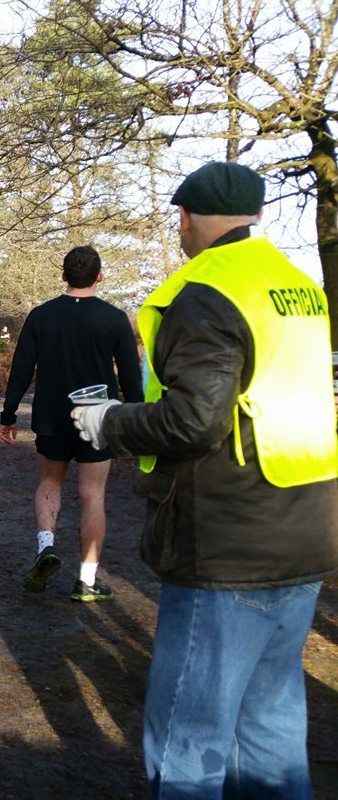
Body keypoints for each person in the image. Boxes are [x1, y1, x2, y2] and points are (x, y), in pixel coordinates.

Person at [72, 162, 336, 797]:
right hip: (306, 529)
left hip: (228, 541)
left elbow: (193, 420)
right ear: (259, 215)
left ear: (185, 218)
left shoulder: (205, 290)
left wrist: (112, 421)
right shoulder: (296, 284)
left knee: (189, 734)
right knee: (270, 724)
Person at [0, 245, 141, 602]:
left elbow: (21, 369)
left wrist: (9, 414)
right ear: (100, 276)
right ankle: (87, 581)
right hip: (98, 418)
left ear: (63, 275)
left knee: (49, 482)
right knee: (93, 495)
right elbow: (130, 375)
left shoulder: (41, 316)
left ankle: (46, 546)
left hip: (51, 415)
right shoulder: (114, 318)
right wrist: (136, 419)